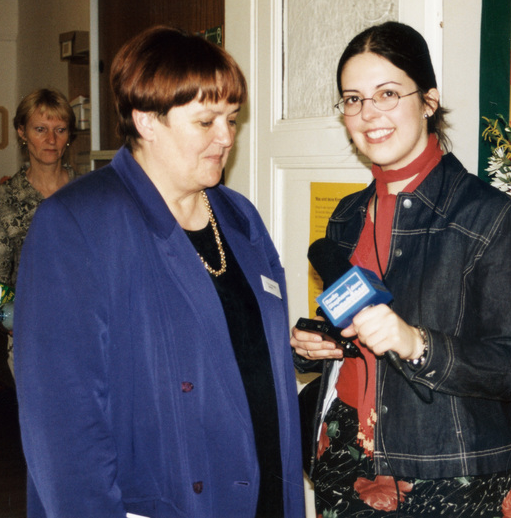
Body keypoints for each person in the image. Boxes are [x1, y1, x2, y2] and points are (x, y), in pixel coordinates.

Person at [15, 26, 305, 518]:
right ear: (147, 120)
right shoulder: (77, 223)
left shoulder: (240, 218)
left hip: (266, 497)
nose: (227, 137)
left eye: (232, 119)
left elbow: (244, 353)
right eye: (206, 121)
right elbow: (62, 425)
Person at [290, 22, 511, 517]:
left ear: (428, 100)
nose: (369, 114)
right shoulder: (346, 216)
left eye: (387, 93)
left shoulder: (488, 216)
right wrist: (314, 347)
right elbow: (355, 330)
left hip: (448, 472)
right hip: (344, 457)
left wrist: (417, 343)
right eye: (353, 99)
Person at [0, 88, 77, 377]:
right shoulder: (4, 198)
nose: (51, 139)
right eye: (40, 129)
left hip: (87, 333)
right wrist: (4, 319)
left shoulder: (88, 192)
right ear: (22, 132)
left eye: (60, 130)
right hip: (31, 340)